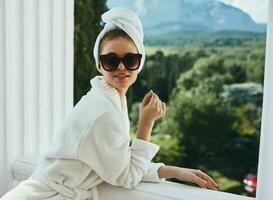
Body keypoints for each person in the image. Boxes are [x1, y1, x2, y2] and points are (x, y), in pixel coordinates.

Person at [1, 7, 217, 200]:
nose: (121, 68)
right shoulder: (102, 112)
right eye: (111, 60)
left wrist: (172, 171)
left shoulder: (108, 99)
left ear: (139, 63)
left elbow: (120, 163)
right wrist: (146, 123)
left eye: (130, 59)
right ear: (99, 64)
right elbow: (127, 176)